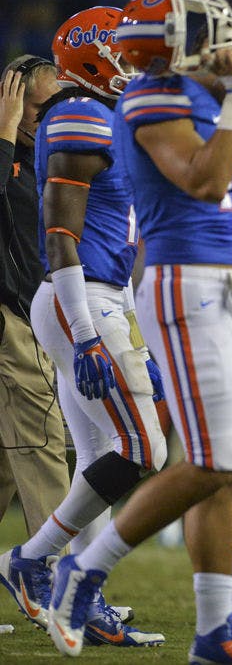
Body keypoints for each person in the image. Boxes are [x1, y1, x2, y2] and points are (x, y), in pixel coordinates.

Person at [44, 1, 232, 663]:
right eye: (219, 38)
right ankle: (82, 569)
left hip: (229, 282)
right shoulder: (153, 96)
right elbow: (207, 182)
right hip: (187, 287)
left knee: (227, 473)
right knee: (210, 461)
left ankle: (214, 631)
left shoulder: (193, 94)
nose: (229, 52)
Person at [0, 6, 166, 648]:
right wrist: (90, 330)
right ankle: (37, 562)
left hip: (97, 296)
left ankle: (76, 595)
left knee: (98, 455)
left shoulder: (103, 115)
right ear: (95, 58)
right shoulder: (77, 114)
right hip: (78, 298)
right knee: (144, 450)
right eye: (125, 51)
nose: (139, 63)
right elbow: (61, 234)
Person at [0, 53, 69, 539]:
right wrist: (3, 136)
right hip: (13, 322)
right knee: (44, 444)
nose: (47, 119)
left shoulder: (52, 155)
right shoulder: (8, 153)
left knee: (6, 460)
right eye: (37, 107)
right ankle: (56, 585)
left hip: (39, 319)